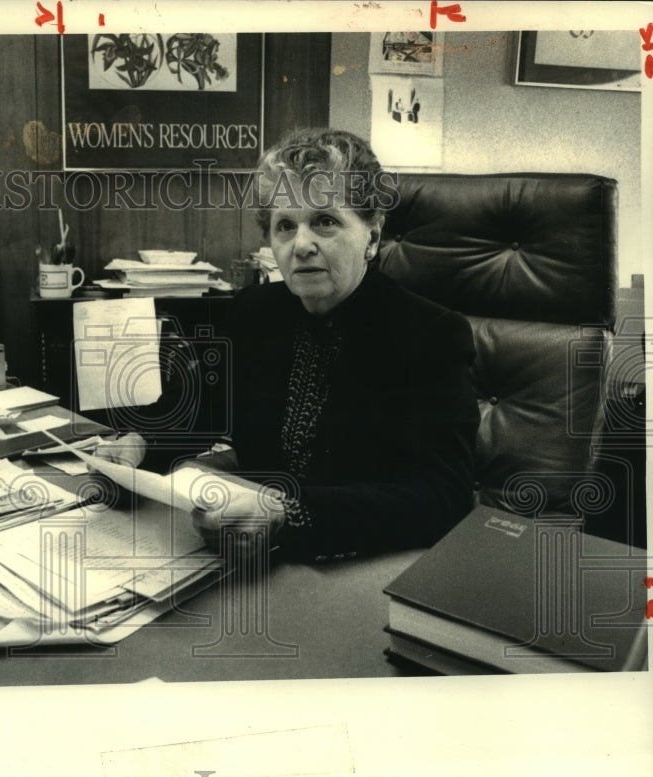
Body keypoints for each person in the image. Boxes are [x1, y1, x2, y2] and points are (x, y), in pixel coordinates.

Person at [100, 128, 480, 562]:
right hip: (243, 549)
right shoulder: (252, 311)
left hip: (364, 561)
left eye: (325, 221)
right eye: (285, 226)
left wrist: (286, 514)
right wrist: (140, 443)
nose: (301, 245)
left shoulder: (429, 334)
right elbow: (198, 410)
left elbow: (444, 495)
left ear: (372, 237)